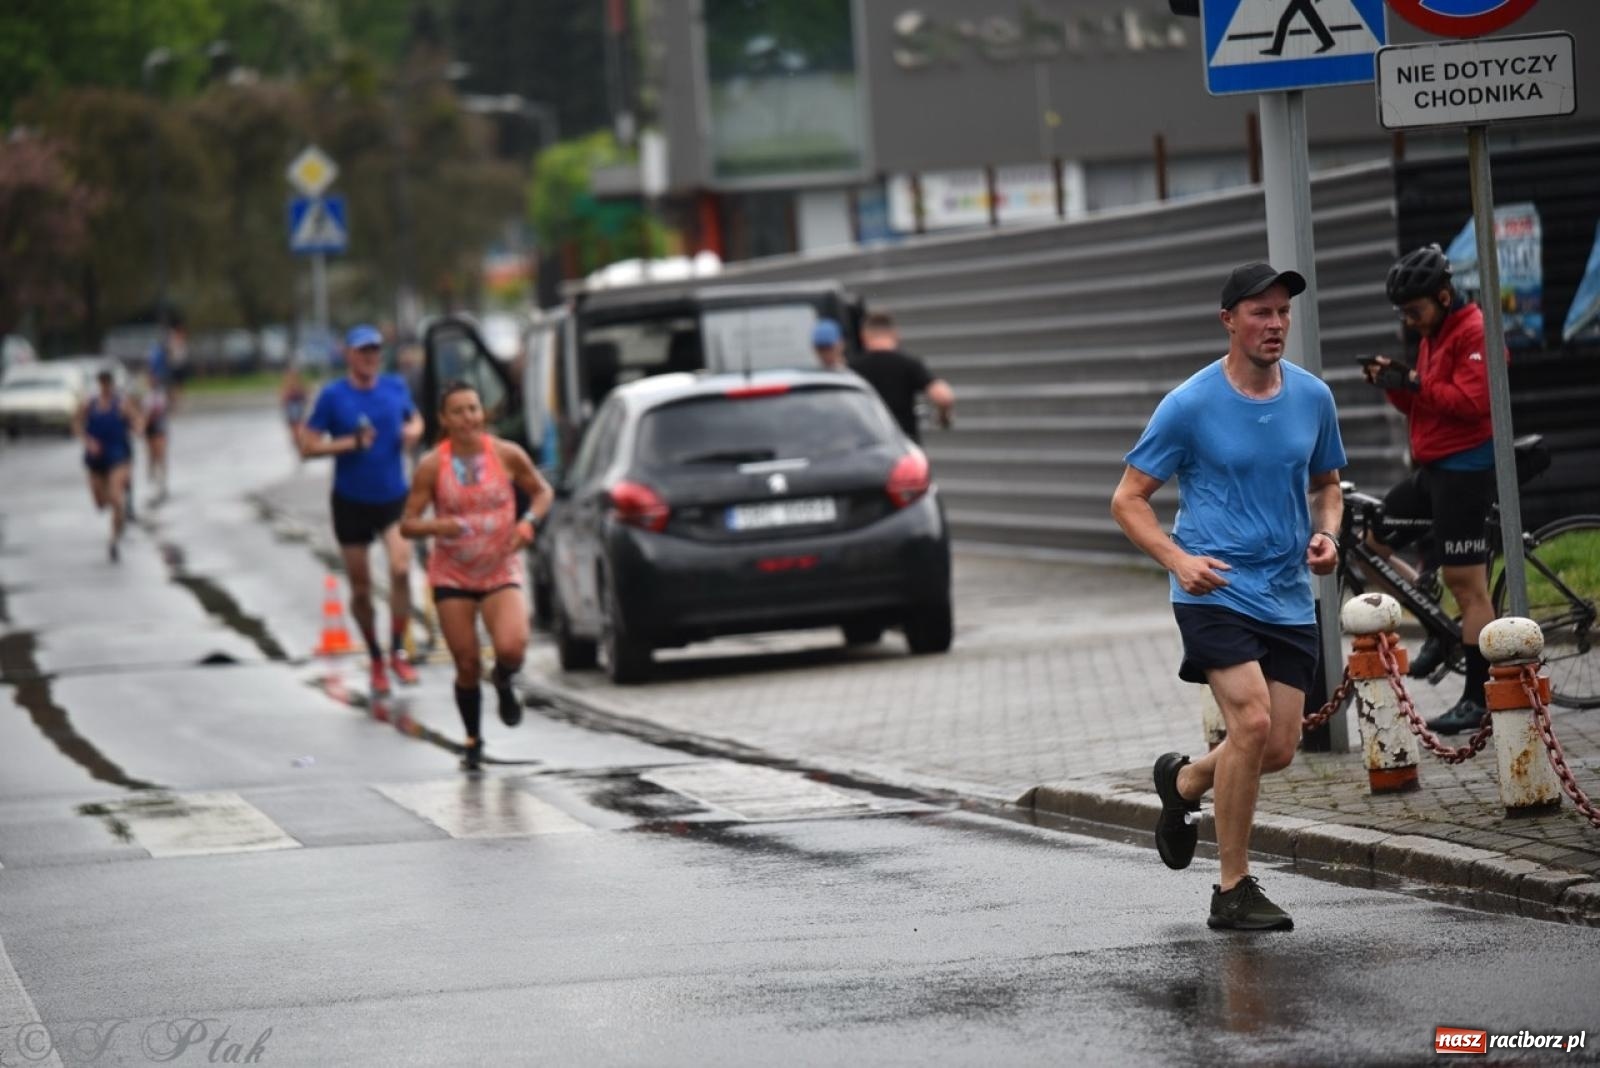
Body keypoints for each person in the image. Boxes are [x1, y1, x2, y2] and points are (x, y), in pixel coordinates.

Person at [1111, 262, 1346, 932]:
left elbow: (1327, 484)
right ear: (1228, 320)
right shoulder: (1189, 405)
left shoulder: (1312, 397)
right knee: (1251, 724)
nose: (1275, 324)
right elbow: (1128, 500)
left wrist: (1327, 534)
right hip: (1213, 587)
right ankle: (1232, 888)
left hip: (1286, 591)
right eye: (1260, 312)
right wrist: (1179, 561)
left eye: (1282, 312)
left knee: (1278, 747)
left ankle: (1184, 782)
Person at [1361, 245, 1501, 736]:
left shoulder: (1475, 331)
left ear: (1443, 297)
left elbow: (1471, 402)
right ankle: (1440, 629)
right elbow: (1424, 404)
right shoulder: (1434, 333)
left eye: (1414, 311)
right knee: (1371, 546)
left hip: (1466, 470)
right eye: (1402, 313)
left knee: (1468, 586)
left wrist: (1415, 381)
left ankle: (1479, 699)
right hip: (1434, 469)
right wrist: (1396, 383)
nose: (1409, 321)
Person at [400, 382, 554, 771]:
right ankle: (473, 740)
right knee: (467, 663)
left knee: (512, 648)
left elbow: (542, 493)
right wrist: (440, 526)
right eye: (458, 411)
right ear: (444, 419)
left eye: (473, 408)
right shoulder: (432, 466)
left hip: (500, 567)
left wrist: (528, 523)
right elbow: (408, 524)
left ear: (482, 412)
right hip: (453, 574)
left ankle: (503, 680)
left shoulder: (506, 454)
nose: (468, 417)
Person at [298, 325, 426, 697]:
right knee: (361, 588)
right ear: (349, 355)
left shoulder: (395, 387)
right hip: (350, 500)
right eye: (362, 351)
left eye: (375, 351)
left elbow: (415, 418)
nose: (370, 357)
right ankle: (375, 658)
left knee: (401, 567)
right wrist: (349, 444)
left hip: (392, 497)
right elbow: (307, 446)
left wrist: (414, 431)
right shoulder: (333, 396)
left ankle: (397, 650)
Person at [850, 311, 954, 443]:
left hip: (867, 445)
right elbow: (944, 396)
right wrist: (943, 417)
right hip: (903, 444)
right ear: (895, 334)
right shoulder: (909, 363)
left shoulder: (852, 368)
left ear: (863, 336)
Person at [73, 368, 143, 562]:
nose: (106, 387)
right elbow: (76, 424)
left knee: (116, 499)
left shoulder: (122, 404)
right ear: (99, 384)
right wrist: (88, 441)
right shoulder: (90, 404)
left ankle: (114, 540)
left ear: (112, 384)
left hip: (117, 455)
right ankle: (118, 513)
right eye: (102, 383)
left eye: (108, 383)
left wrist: (136, 428)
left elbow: (138, 420)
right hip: (96, 459)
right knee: (100, 503)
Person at [141, 368, 170, 503]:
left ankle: (161, 484)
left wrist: (144, 422)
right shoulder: (147, 395)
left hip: (158, 428)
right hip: (149, 430)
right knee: (151, 457)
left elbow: (156, 411)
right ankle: (153, 483)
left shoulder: (160, 394)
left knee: (160, 456)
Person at [280, 364, 311, 460]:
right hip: (292, 411)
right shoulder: (289, 386)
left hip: (296, 410)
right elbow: (283, 400)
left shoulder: (297, 386)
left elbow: (305, 398)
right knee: (295, 433)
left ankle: (301, 450)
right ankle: (300, 450)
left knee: (297, 432)